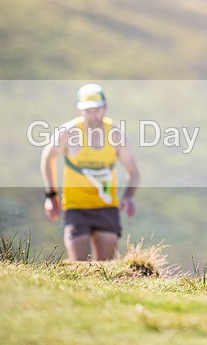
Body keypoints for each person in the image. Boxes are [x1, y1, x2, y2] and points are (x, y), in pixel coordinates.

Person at [41, 83, 140, 261]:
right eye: (88, 110)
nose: (93, 115)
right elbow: (47, 158)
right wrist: (51, 195)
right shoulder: (69, 132)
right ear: (80, 110)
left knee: (105, 270)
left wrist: (128, 196)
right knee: (80, 267)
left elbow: (133, 172)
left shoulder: (116, 134)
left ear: (105, 108)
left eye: (97, 109)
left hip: (106, 207)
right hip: (76, 207)